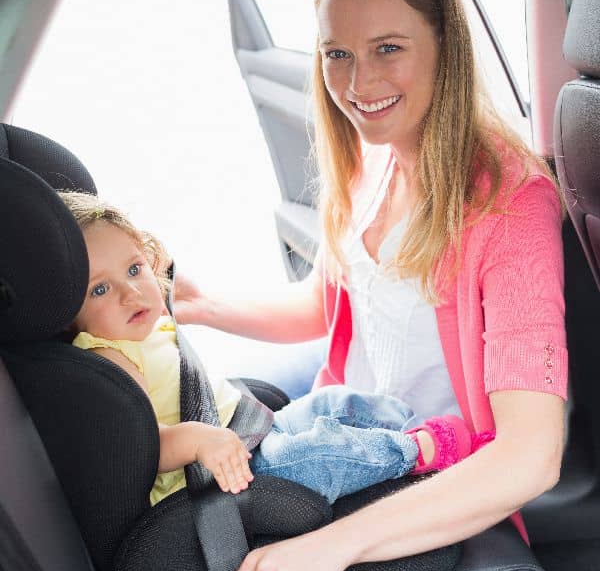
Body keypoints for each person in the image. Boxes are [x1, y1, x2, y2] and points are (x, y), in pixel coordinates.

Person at [173, 0, 567, 571]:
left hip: (423, 477)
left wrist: (333, 547)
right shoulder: (369, 164)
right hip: (345, 437)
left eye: (388, 49)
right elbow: (328, 311)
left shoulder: (509, 204)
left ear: (444, 45)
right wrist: (203, 305)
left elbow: (531, 456)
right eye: (337, 55)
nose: (358, 86)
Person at [60, 190, 491, 508]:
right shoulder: (107, 357)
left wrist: (190, 302)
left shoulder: (146, 327)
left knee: (333, 403)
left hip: (248, 429)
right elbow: (138, 445)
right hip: (216, 477)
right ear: (67, 310)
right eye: (100, 288)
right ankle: (423, 451)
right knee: (323, 453)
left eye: (135, 269)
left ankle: (414, 426)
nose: (131, 292)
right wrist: (197, 440)